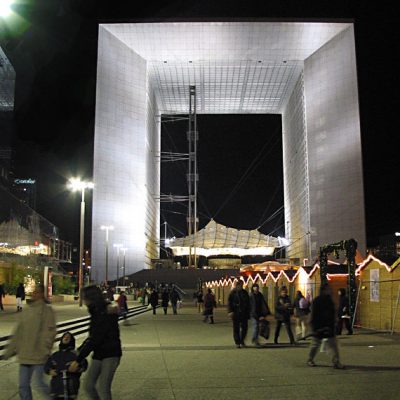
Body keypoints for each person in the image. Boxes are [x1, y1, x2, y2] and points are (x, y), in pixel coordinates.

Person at [4, 283, 57, 400]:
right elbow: (18, 332)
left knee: (39, 384)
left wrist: (45, 349)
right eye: (34, 292)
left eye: (37, 292)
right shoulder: (27, 310)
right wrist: (9, 351)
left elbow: (50, 332)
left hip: (39, 355)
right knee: (23, 385)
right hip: (25, 354)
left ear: (42, 294)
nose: (34, 294)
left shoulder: (47, 311)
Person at [69, 285, 122, 400]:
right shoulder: (97, 311)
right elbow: (92, 336)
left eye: (84, 298)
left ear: (91, 298)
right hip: (99, 353)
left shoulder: (104, 313)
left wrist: (79, 360)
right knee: (88, 385)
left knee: (103, 388)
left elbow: (95, 339)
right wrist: (79, 351)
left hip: (111, 354)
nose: (82, 300)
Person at [307, 283, 344, 369]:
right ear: (323, 290)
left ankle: (336, 362)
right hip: (319, 325)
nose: (330, 290)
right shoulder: (317, 300)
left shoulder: (330, 301)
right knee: (315, 344)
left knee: (333, 345)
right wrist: (314, 326)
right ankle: (310, 359)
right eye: (328, 289)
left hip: (329, 325)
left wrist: (334, 322)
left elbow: (332, 313)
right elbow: (313, 314)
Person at [44, 332, 88, 399]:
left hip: (71, 387)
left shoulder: (76, 354)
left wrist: (77, 369)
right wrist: (49, 371)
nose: (66, 338)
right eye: (64, 337)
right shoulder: (55, 355)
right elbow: (47, 365)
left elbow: (84, 365)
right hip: (56, 388)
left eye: (68, 337)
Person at [228, 280, 250, 348]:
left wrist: (248, 311)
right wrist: (230, 311)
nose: (241, 286)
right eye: (239, 285)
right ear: (237, 286)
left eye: (241, 285)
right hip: (236, 312)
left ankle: (242, 340)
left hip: (244, 313)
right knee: (236, 328)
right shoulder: (233, 293)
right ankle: (237, 342)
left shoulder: (245, 292)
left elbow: (248, 303)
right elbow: (229, 303)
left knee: (244, 328)